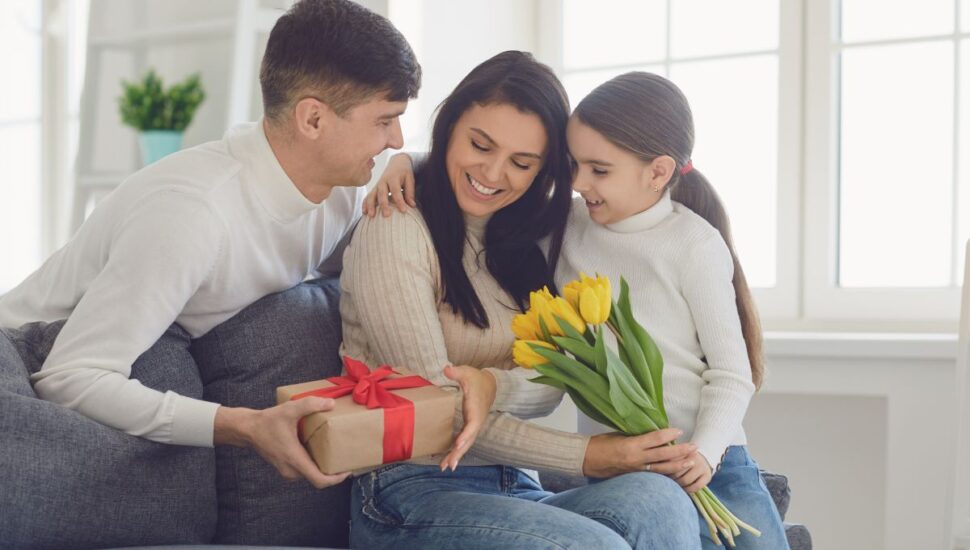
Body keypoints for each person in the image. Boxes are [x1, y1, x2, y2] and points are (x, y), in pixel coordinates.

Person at [0, 0, 420, 490]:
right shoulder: (191, 214)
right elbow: (69, 376)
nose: (397, 138)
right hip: (21, 367)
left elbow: (357, 261)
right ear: (312, 120)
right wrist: (244, 426)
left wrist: (416, 165)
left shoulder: (340, 192)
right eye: (385, 120)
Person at [340, 51, 700, 550]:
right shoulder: (397, 225)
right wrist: (589, 455)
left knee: (659, 501)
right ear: (449, 126)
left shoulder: (533, 238)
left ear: (544, 171)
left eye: (521, 162)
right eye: (479, 144)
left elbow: (549, 380)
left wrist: (490, 385)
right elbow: (439, 410)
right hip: (407, 491)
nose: (493, 171)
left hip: (516, 487)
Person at [558, 71, 789, 549]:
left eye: (599, 170)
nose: (579, 182)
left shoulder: (693, 245)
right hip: (625, 471)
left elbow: (732, 373)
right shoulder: (566, 227)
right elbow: (483, 182)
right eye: (573, 164)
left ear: (658, 172)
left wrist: (703, 454)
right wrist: (407, 166)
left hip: (714, 465)